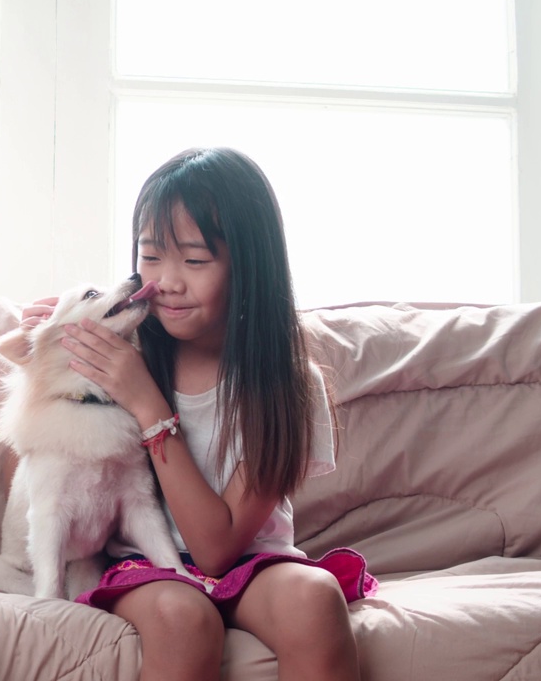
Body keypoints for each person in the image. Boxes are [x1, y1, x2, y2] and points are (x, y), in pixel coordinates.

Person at [21, 147, 375, 680]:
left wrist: (146, 402)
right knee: (182, 616)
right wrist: (48, 343)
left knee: (316, 597)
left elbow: (216, 551)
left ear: (247, 267)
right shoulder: (132, 345)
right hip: (143, 564)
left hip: (249, 560)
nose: (166, 282)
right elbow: (37, 456)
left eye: (195, 260)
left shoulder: (288, 386)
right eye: (150, 255)